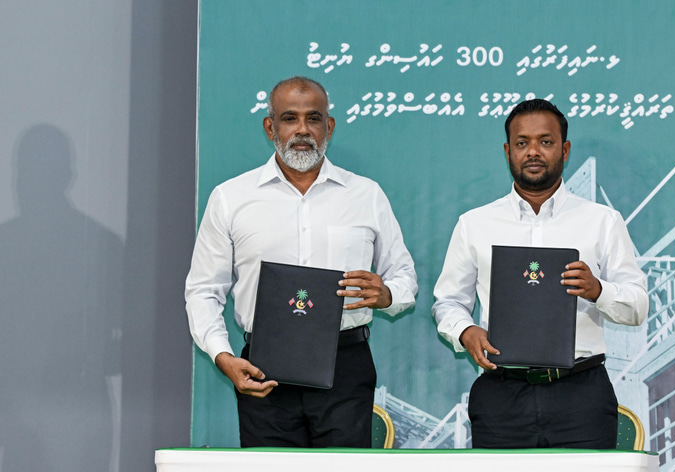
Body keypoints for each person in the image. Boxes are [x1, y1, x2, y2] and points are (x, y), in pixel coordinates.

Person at [185, 76, 417, 448]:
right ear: (270, 127)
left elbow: (404, 275)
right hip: (263, 368)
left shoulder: (366, 195)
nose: (303, 129)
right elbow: (203, 290)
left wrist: (387, 294)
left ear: (329, 126)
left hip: (345, 366)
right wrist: (222, 355)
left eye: (314, 118)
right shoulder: (231, 198)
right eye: (290, 118)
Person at [432, 98, 648, 449]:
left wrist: (597, 290)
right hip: (501, 395)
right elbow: (448, 303)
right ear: (508, 152)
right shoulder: (474, 224)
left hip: (582, 395)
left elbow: (637, 306)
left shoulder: (603, 221)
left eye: (545, 142)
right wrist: (465, 331)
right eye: (522, 143)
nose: (533, 151)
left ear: (565, 150)